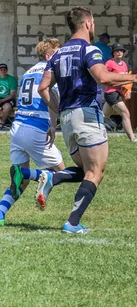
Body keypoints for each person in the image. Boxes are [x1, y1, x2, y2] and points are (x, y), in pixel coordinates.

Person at [38, 6, 137, 234]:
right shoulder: (90, 50)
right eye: (94, 23)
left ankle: (53, 178)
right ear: (88, 23)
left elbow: (43, 88)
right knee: (95, 172)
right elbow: (102, 77)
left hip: (67, 119)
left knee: (86, 169)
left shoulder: (57, 54)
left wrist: (59, 111)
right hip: (87, 114)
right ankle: (72, 223)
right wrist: (134, 77)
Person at [2, 39, 86, 226]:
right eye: (57, 54)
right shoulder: (51, 72)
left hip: (17, 129)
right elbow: (50, 97)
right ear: (49, 56)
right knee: (60, 172)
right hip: (36, 128)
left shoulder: (28, 72)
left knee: (19, 183)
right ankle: (27, 172)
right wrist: (54, 126)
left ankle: (0, 212)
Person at [102, 44, 137, 143]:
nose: (119, 52)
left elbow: (126, 79)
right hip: (111, 93)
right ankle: (132, 138)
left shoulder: (124, 64)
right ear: (113, 53)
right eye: (117, 51)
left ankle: (90, 131)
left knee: (103, 117)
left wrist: (128, 90)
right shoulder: (109, 63)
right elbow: (105, 77)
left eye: (121, 51)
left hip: (118, 93)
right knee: (125, 113)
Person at [0, 63, 17, 128]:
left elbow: (11, 95)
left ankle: (2, 122)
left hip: (7, 98)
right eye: (1, 70)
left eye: (4, 70)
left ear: (7, 70)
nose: (3, 71)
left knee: (7, 106)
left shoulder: (12, 79)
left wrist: (2, 100)